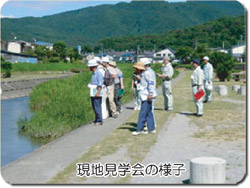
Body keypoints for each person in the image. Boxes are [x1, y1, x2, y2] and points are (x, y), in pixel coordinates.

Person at [132, 61, 157, 136]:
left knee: (143, 112)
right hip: (146, 94)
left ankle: (139, 129)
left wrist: (150, 93)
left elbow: (151, 83)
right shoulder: (146, 73)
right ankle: (151, 128)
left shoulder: (147, 73)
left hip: (146, 95)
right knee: (149, 112)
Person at [87, 59, 104, 126]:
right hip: (93, 91)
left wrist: (98, 92)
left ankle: (99, 120)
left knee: (97, 106)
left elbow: (100, 83)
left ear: (92, 67)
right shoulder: (94, 74)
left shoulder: (98, 73)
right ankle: (96, 119)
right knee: (94, 106)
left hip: (97, 92)